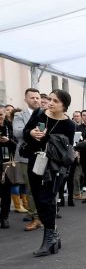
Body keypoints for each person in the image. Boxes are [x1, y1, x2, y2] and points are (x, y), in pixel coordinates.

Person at [22, 89, 76, 256]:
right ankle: (53, 235)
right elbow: (25, 133)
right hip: (35, 162)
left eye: (55, 101)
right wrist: (31, 133)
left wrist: (46, 138)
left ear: (64, 105)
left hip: (54, 168)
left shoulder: (69, 125)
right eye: (50, 99)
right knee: (39, 200)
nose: (50, 103)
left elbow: (66, 149)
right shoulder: (39, 114)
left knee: (47, 200)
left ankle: (50, 237)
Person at [11, 88, 43, 231]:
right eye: (32, 98)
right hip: (26, 156)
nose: (35, 100)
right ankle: (35, 217)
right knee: (30, 188)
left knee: (43, 187)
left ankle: (43, 215)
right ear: (26, 100)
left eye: (37, 97)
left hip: (42, 155)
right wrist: (30, 132)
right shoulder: (19, 115)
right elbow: (17, 132)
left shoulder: (45, 114)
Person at [0, 107, 16, 229]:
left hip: (7, 164)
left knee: (6, 192)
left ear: (5, 114)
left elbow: (17, 145)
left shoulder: (10, 127)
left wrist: (9, 140)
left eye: (1, 114)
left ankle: (4, 217)